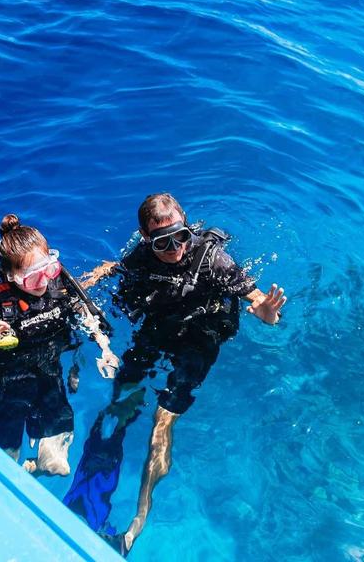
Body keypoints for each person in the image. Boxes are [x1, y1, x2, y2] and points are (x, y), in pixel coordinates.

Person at [80, 193, 287, 553]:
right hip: (161, 323)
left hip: (201, 335)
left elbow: (256, 298)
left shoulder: (213, 260)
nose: (175, 248)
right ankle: (102, 463)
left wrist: (267, 314)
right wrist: (98, 273)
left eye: (181, 236)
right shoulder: (142, 257)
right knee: (123, 391)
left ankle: (135, 526)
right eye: (162, 242)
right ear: (146, 239)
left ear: (188, 228)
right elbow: (120, 267)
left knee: (163, 419)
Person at [0, 214, 119, 476]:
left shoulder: (57, 282)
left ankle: (35, 469)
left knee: (58, 468)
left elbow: (86, 313)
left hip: (47, 372)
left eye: (48, 270)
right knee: (3, 466)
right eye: (33, 278)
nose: (44, 282)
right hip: (4, 383)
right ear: (10, 276)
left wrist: (104, 348)